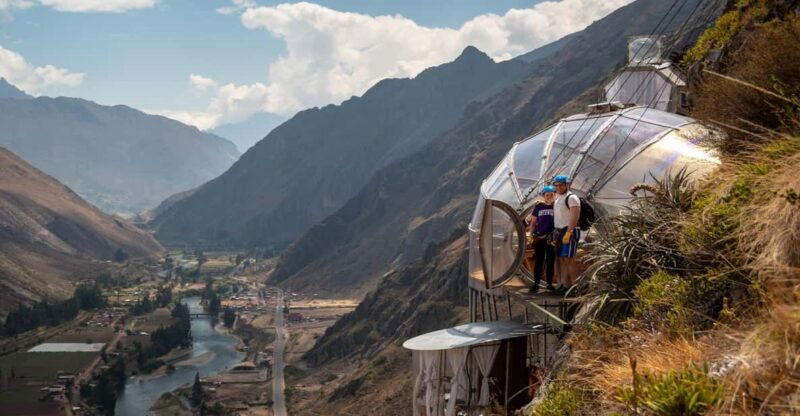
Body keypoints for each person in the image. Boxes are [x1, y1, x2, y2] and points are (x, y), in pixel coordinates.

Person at [526, 186, 556, 293]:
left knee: (550, 261)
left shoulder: (556, 206)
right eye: (547, 195)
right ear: (544, 196)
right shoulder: (539, 206)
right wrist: (530, 235)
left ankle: (549, 284)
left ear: (554, 195)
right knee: (539, 260)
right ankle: (536, 283)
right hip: (539, 237)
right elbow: (533, 222)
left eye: (551, 195)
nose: (549, 197)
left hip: (552, 238)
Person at [552, 175, 580, 291]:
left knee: (569, 259)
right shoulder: (558, 198)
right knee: (562, 259)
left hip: (569, 230)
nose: (558, 187)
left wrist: (569, 232)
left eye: (561, 185)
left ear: (566, 185)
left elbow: (575, 216)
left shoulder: (572, 198)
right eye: (556, 185)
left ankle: (575, 287)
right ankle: (565, 285)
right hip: (559, 231)